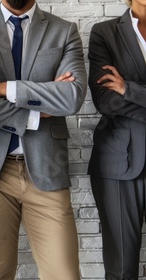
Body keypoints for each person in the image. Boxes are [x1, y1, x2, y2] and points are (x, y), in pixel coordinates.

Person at [0, 0, 86, 279]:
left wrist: (3, 88)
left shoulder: (63, 30)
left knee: (64, 274)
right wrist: (35, 114)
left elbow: (72, 97)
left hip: (46, 168)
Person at [87, 0, 146, 278]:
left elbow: (121, 96)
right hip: (120, 160)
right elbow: (106, 101)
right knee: (121, 268)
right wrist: (122, 92)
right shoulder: (105, 33)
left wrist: (129, 89)